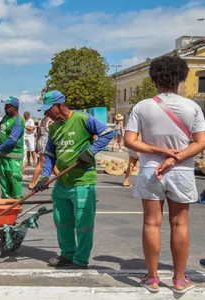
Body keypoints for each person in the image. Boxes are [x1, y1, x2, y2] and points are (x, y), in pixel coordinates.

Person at [124, 56, 205, 294]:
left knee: (151, 223)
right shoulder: (192, 107)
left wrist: (159, 151)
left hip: (151, 171)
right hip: (181, 171)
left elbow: (130, 140)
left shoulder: (142, 106)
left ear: (154, 78)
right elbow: (201, 143)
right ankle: (179, 280)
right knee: (180, 223)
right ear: (180, 78)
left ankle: (153, 279)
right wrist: (175, 157)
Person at [33, 90, 113, 269]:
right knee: (62, 221)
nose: (46, 113)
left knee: (83, 224)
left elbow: (108, 134)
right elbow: (50, 155)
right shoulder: (53, 128)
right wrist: (45, 176)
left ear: (59, 106)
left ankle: (81, 259)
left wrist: (90, 152)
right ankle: (67, 254)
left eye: (48, 109)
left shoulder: (83, 119)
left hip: (82, 181)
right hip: (62, 183)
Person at [0, 97, 25, 199]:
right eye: (4, 106)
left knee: (15, 181)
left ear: (14, 108)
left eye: (7, 106)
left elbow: (11, 141)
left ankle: (18, 205)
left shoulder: (19, 121)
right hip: (3, 156)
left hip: (14, 157)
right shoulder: (5, 117)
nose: (5, 108)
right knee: (4, 182)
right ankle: (6, 205)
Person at [29, 114, 59, 190]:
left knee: (51, 163)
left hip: (41, 140)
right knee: (42, 163)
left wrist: (36, 145)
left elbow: (39, 133)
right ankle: (32, 182)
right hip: (46, 140)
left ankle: (61, 179)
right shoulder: (50, 120)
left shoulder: (42, 120)